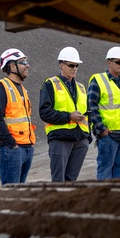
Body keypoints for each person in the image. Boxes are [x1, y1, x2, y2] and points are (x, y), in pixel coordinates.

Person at [39, 46, 91, 182]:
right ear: (62, 65)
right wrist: (69, 116)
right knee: (58, 181)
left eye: (77, 65)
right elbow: (45, 113)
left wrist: (87, 138)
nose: (75, 68)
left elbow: (88, 113)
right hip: (60, 139)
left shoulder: (81, 87)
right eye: (71, 65)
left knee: (71, 181)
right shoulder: (50, 84)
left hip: (80, 140)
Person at [87, 46, 120, 180]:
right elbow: (92, 106)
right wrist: (101, 130)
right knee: (105, 170)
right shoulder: (98, 80)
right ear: (109, 62)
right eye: (118, 62)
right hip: (109, 136)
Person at [0, 48, 36, 185]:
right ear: (11, 66)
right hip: (10, 149)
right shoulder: (1, 88)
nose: (27, 65)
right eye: (23, 62)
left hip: (26, 147)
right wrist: (12, 145)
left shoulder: (22, 89)